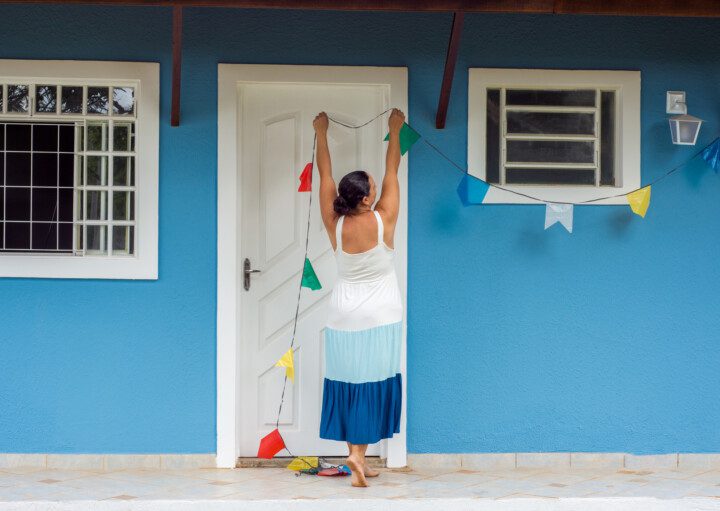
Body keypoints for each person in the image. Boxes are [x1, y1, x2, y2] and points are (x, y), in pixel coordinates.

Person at [313, 108, 405, 487]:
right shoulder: (384, 218)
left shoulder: (334, 222)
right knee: (372, 384)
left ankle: (359, 459)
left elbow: (325, 177)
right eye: (371, 184)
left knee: (351, 384)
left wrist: (321, 133)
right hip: (382, 316)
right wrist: (394, 130)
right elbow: (392, 171)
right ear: (368, 198)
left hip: (343, 318)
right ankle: (356, 456)